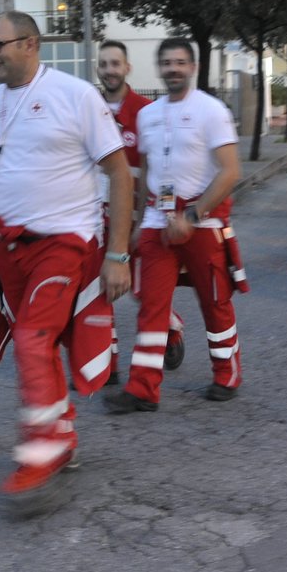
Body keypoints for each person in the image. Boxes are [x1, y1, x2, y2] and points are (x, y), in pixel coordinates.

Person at [0, 13, 130, 515]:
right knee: (39, 344)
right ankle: (62, 435)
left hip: (66, 242)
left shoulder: (76, 95)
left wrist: (117, 253)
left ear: (30, 43)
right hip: (10, 248)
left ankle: (39, 453)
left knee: (32, 337)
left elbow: (119, 172)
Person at [107, 37, 245, 410]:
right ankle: (142, 389)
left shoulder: (212, 111)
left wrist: (192, 216)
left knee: (214, 301)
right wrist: (138, 221)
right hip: (156, 218)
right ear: (159, 68)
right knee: (152, 305)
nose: (173, 69)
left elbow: (230, 172)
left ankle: (226, 372)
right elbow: (147, 169)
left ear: (193, 67)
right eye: (167, 63)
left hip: (203, 221)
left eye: (180, 62)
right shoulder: (148, 114)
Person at [95, 39, 185, 374]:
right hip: (96, 218)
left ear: (127, 68)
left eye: (115, 64)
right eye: (103, 65)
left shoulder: (146, 112)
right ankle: (105, 363)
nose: (109, 71)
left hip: (138, 218)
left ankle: (170, 329)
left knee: (143, 290)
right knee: (98, 291)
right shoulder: (89, 108)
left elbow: (163, 170)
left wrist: (161, 214)